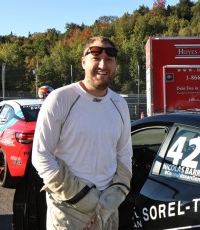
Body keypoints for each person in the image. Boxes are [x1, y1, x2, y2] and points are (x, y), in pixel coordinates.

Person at [32, 36, 133, 229]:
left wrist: (113, 197)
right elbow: (41, 156)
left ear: (115, 64)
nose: (103, 64)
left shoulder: (120, 104)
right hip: (68, 210)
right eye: (96, 57)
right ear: (83, 62)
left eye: (109, 59)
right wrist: (83, 198)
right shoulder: (60, 99)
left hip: (108, 209)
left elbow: (124, 155)